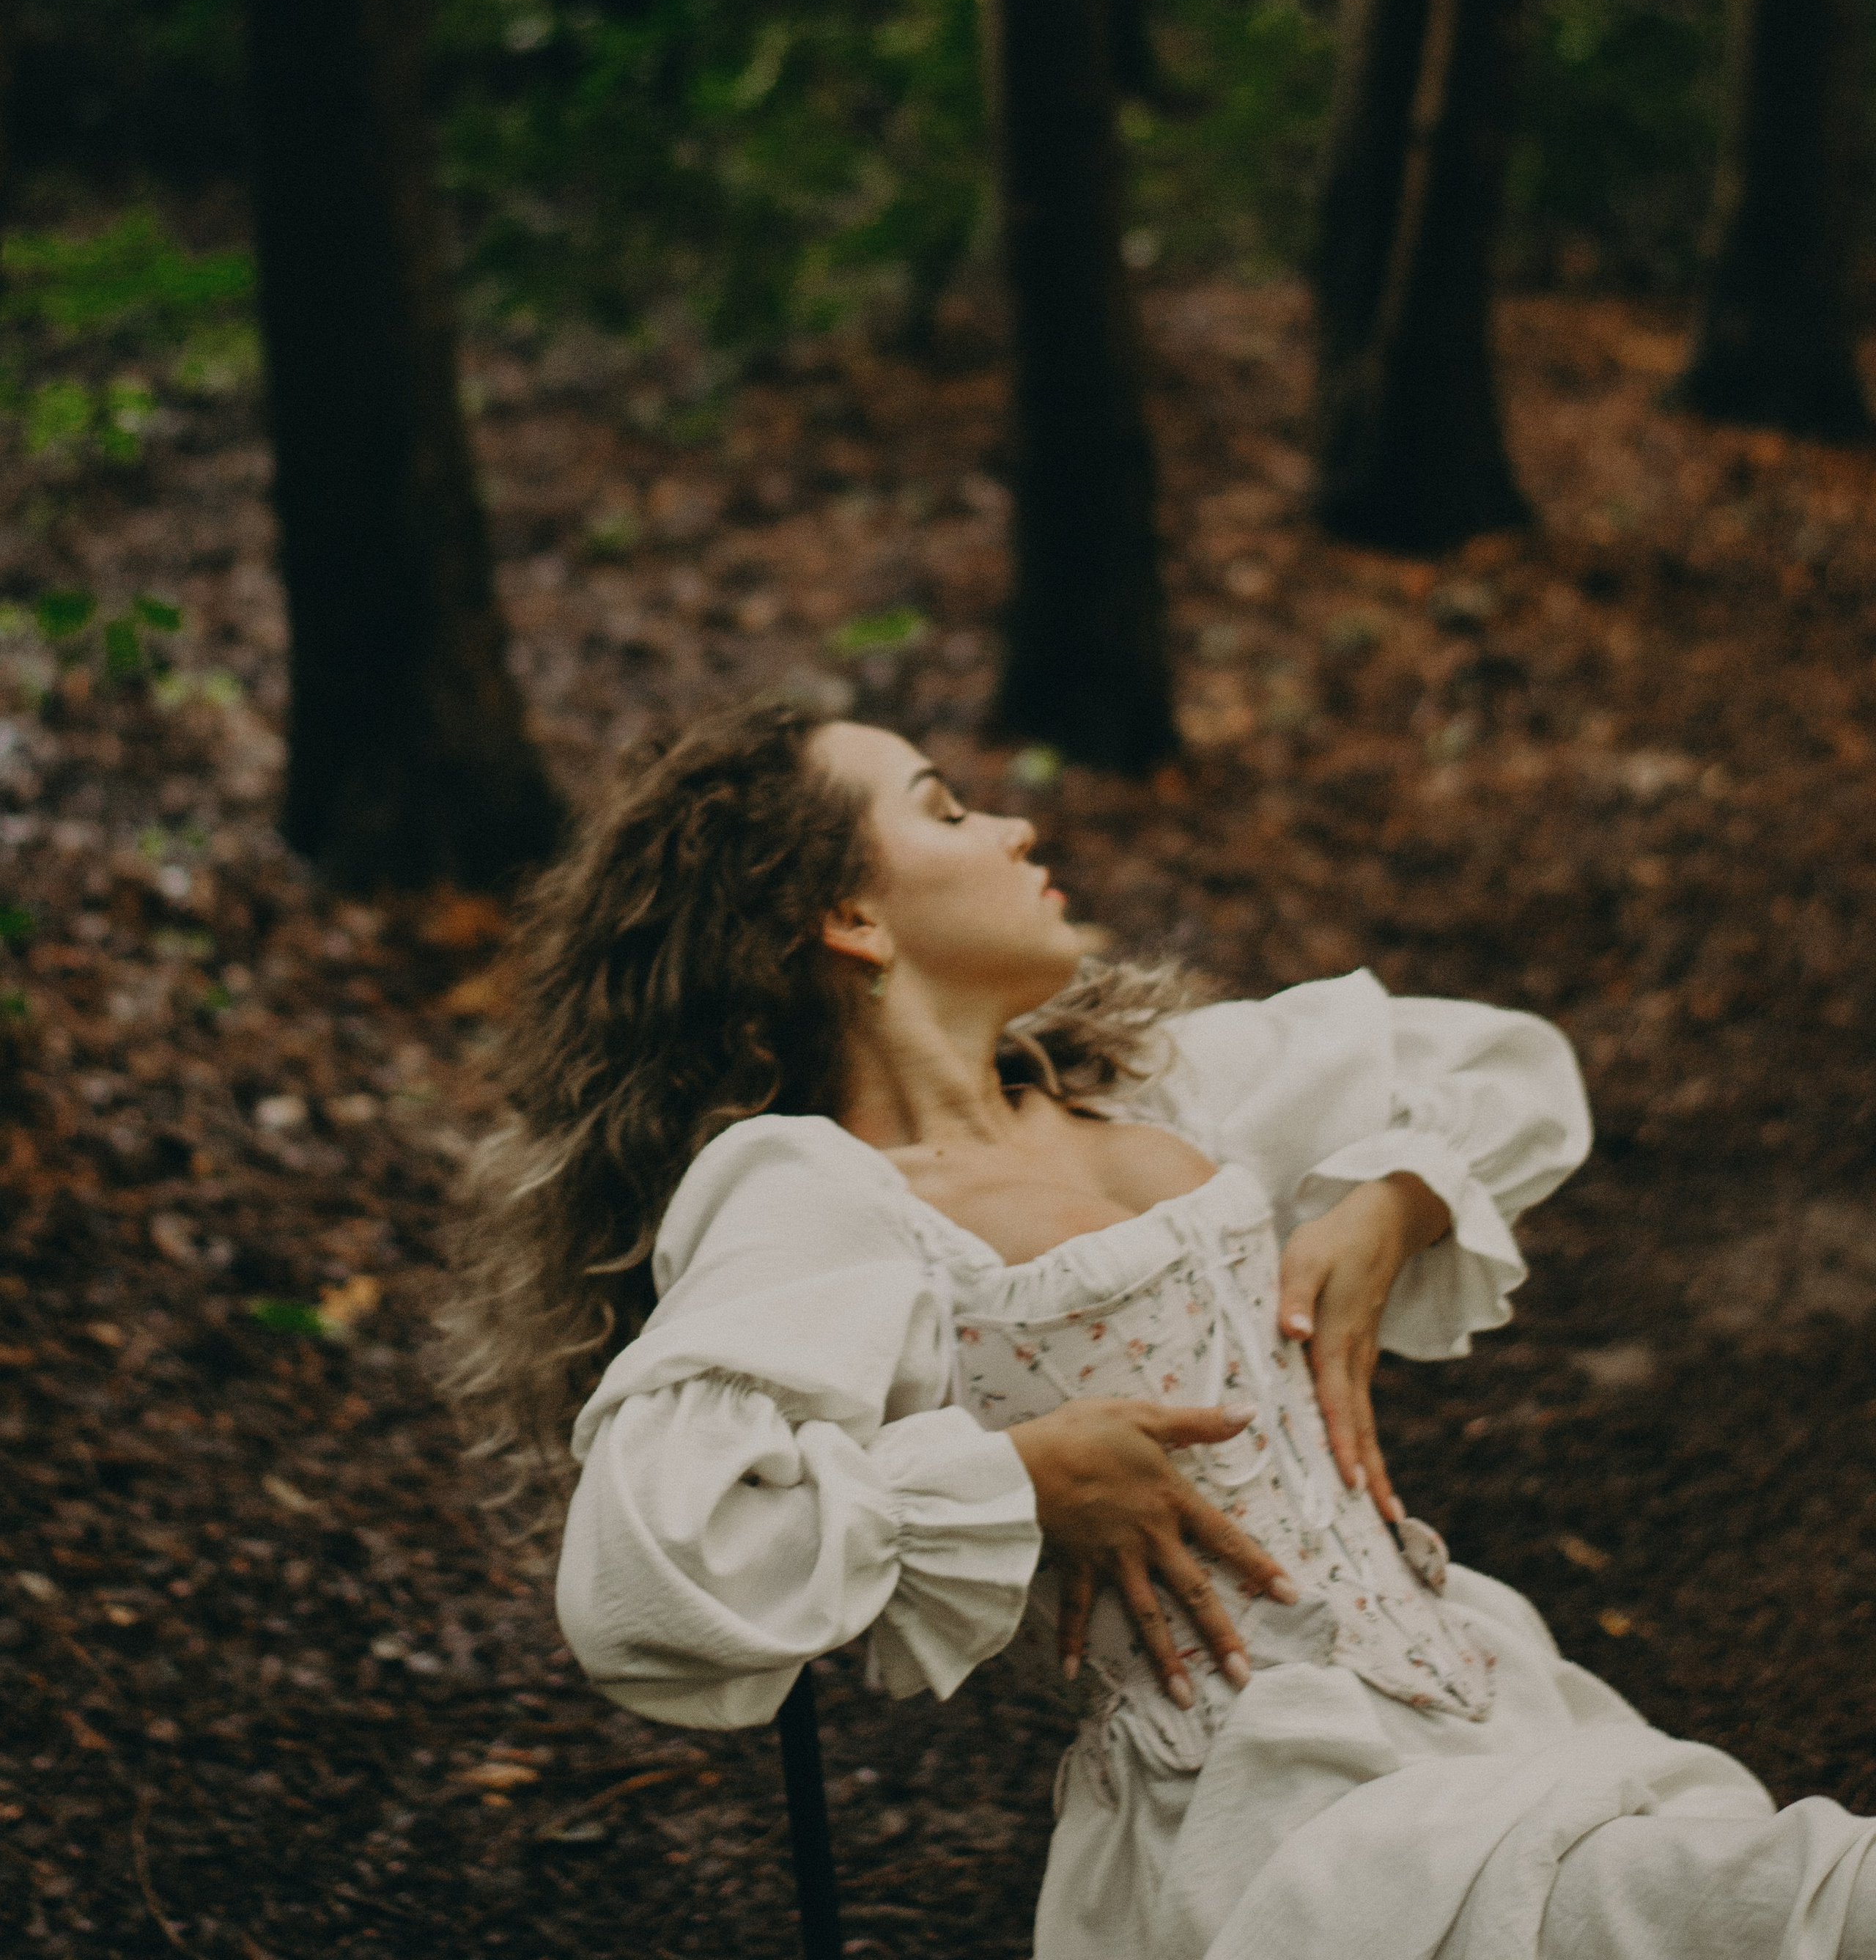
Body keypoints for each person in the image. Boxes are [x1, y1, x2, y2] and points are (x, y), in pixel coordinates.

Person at [441, 699, 1876, 1960]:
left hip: (1504, 1712)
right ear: (850, 919)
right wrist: (1016, 1486)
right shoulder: (822, 1196)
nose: (1009, 825)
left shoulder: (1161, 1095)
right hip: (1284, 1827)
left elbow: (1507, 1070)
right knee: (1806, 1906)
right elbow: (643, 1577)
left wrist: (1395, 1199)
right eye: (944, 808)